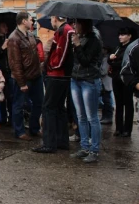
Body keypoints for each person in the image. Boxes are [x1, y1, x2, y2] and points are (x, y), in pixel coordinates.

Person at [32, 16, 74, 154]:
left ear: (56, 18)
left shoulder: (65, 30)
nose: (50, 22)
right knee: (58, 107)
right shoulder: (64, 30)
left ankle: (49, 143)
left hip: (57, 75)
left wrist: (51, 66)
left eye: (51, 18)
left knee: (48, 107)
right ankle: (61, 141)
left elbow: (60, 54)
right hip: (60, 75)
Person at [70, 19, 103, 163]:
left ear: (83, 25)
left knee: (92, 117)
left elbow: (85, 61)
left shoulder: (94, 40)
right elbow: (76, 61)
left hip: (89, 81)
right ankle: (84, 147)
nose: (74, 26)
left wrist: (77, 45)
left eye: (76, 24)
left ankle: (94, 150)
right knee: (80, 116)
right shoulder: (80, 38)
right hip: (76, 80)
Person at [7, 12, 43, 140]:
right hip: (23, 78)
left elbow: (35, 56)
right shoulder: (14, 38)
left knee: (39, 103)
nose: (32, 22)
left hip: (36, 76)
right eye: (30, 19)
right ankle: (20, 131)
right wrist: (21, 83)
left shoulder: (30, 35)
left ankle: (34, 128)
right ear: (23, 21)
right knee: (19, 105)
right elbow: (15, 63)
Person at [109, 27, 135, 137]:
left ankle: (127, 129)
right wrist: (110, 58)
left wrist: (114, 61)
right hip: (116, 78)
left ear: (129, 36)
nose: (120, 37)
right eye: (120, 34)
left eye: (123, 34)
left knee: (128, 103)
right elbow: (110, 61)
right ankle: (119, 128)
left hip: (127, 79)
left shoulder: (131, 48)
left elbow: (124, 64)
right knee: (119, 103)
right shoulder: (118, 48)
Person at [100, 47, 114, 125]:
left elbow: (103, 71)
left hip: (106, 82)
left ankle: (108, 117)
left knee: (107, 101)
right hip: (106, 82)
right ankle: (105, 116)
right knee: (105, 100)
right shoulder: (105, 57)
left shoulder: (106, 58)